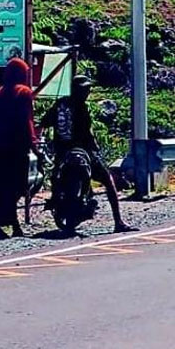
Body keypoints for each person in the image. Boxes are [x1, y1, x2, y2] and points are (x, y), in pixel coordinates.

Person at [41, 75, 131, 233]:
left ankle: (56, 199)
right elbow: (87, 134)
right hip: (82, 151)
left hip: (62, 153)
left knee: (55, 176)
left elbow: (44, 122)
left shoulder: (60, 103)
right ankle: (118, 221)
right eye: (85, 89)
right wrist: (95, 146)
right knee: (108, 181)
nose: (88, 92)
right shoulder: (81, 107)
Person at [0, 58, 38, 238]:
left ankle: (6, 222)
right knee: (19, 187)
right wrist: (33, 144)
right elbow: (26, 121)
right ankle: (1, 221)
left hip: (2, 149)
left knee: (6, 187)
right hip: (18, 148)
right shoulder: (24, 92)